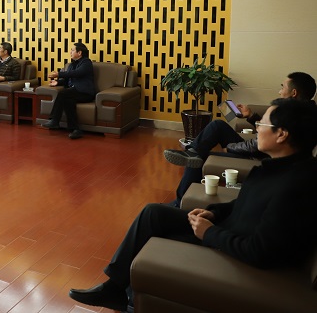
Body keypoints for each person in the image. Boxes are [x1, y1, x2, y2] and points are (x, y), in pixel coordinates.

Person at [69, 98, 317, 311]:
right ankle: (113, 287)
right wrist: (213, 212)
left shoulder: (295, 186)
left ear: (282, 134)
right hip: (227, 228)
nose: (258, 128)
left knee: (157, 236)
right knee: (153, 213)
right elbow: (244, 203)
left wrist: (209, 233)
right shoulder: (275, 168)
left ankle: (131, 297)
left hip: (232, 247)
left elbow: (260, 251)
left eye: (263, 124)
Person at [163, 72, 316, 206]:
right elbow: (270, 130)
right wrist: (251, 116)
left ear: (294, 92)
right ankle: (192, 151)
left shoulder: (296, 117)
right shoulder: (301, 111)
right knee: (217, 126)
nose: (280, 91)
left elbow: (257, 144)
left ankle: (180, 201)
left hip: (259, 155)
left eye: (283, 87)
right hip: (262, 149)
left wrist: (229, 147)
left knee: (199, 158)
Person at [42, 42, 96, 139]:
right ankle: (75, 129)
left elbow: (77, 73)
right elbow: (67, 79)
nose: (70, 52)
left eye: (72, 50)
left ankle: (54, 120)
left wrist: (59, 74)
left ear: (79, 53)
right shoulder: (71, 65)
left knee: (63, 93)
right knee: (68, 101)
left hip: (85, 93)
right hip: (74, 92)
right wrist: (57, 82)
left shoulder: (86, 63)